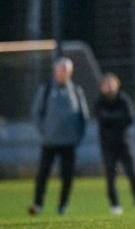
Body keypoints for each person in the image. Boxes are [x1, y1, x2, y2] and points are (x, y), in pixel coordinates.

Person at [28, 57, 90, 215]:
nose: (64, 73)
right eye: (61, 69)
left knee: (67, 176)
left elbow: (84, 116)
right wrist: (44, 132)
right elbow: (36, 114)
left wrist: (78, 136)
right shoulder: (47, 89)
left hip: (69, 142)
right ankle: (37, 204)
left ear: (71, 72)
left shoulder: (76, 90)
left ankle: (62, 206)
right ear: (55, 71)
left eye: (67, 70)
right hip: (49, 141)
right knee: (43, 174)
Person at [95, 73, 135, 215]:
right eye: (106, 84)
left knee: (133, 174)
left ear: (117, 84)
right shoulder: (99, 102)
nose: (109, 87)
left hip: (124, 144)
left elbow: (129, 118)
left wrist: (112, 120)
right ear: (102, 87)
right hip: (108, 145)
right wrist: (117, 120)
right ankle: (115, 205)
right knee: (110, 176)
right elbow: (102, 120)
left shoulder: (123, 100)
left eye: (112, 83)